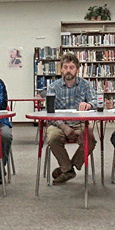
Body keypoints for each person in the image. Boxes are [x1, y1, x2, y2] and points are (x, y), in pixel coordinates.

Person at [46, 53, 97, 185]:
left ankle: (68, 168)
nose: (68, 70)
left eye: (72, 67)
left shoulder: (86, 85)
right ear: (61, 69)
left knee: (90, 139)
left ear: (77, 69)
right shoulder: (53, 87)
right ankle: (68, 169)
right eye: (65, 67)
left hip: (80, 123)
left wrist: (89, 104)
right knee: (52, 138)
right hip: (59, 124)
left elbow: (96, 101)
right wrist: (64, 127)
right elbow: (49, 113)